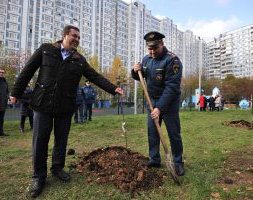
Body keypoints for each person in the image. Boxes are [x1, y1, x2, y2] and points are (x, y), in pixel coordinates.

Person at [10, 25, 123, 198]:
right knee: (40, 141)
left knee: (61, 141)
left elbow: (95, 76)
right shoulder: (46, 50)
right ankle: (39, 177)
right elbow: (27, 70)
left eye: (79, 37)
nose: (77, 39)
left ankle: (57, 168)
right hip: (42, 104)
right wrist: (15, 93)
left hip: (65, 106)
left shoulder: (79, 60)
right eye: (74, 36)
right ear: (64, 36)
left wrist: (114, 88)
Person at [131, 31, 184, 176]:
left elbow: (172, 87)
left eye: (155, 48)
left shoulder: (172, 61)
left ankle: (178, 162)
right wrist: (135, 71)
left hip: (168, 104)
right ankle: (154, 159)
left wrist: (159, 107)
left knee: (174, 134)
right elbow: (140, 76)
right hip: (151, 101)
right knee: (152, 132)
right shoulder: (146, 59)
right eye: (150, 48)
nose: (152, 51)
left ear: (162, 44)